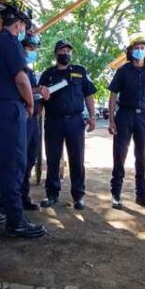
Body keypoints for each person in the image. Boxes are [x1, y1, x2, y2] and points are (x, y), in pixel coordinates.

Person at [0, 0, 46, 238]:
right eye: (24, 27)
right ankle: (16, 221)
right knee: (14, 165)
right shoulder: (11, 43)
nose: (24, 31)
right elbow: (21, 79)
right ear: (18, 24)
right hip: (9, 110)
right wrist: (30, 103)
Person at [38, 40, 97, 210]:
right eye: (62, 50)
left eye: (68, 51)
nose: (66, 53)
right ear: (56, 53)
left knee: (77, 159)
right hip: (53, 122)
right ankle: (52, 194)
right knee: (52, 159)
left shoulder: (80, 71)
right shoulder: (47, 74)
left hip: (75, 122)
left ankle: (78, 196)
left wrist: (92, 116)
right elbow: (39, 99)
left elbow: (89, 95)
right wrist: (36, 114)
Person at [107, 33, 145, 210]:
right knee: (120, 155)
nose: (139, 50)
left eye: (142, 48)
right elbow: (113, 95)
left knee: (141, 156)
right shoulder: (123, 71)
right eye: (136, 48)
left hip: (144, 118)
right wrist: (111, 119)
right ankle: (116, 194)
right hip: (124, 116)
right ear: (130, 51)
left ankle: (141, 194)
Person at [21, 31, 51, 210]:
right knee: (19, 160)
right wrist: (37, 90)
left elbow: (32, 91)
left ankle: (23, 197)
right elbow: (21, 89)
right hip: (21, 119)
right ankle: (11, 201)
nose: (33, 51)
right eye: (30, 48)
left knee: (30, 159)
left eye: (34, 48)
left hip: (33, 120)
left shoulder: (29, 70)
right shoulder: (17, 68)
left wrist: (40, 98)